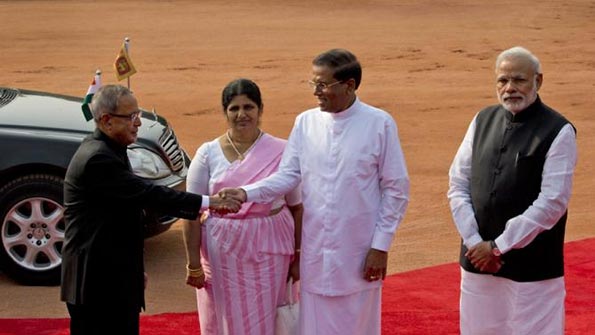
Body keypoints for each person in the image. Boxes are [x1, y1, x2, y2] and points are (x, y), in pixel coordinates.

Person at [221, 49, 410, 335]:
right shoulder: (305, 122)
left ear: (349, 85)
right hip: (316, 252)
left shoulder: (379, 123)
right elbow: (287, 176)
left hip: (358, 251)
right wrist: (246, 193)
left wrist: (380, 246)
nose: (316, 92)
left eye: (323, 85)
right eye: (313, 84)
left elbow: (396, 190)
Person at [60, 84, 240, 335]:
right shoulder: (97, 159)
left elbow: (122, 212)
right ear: (106, 120)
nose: (138, 123)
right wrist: (209, 202)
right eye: (131, 117)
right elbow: (148, 194)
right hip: (97, 284)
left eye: (139, 115)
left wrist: (132, 269)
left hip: (113, 275)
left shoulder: (109, 148)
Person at [447, 46, 577, 334]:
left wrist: (497, 247)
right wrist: (474, 243)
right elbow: (457, 184)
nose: (509, 88)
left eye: (518, 80)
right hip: (477, 262)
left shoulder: (559, 130)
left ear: (538, 81)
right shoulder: (482, 120)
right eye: (502, 80)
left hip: (532, 268)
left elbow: (552, 203)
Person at [182, 78, 303, 335]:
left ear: (260, 110)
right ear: (225, 112)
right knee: (223, 315)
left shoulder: (284, 151)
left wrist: (299, 256)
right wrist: (193, 263)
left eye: (248, 107)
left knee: (270, 315)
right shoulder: (207, 153)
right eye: (234, 108)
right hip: (221, 253)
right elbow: (191, 211)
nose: (241, 115)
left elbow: (297, 207)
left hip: (271, 249)